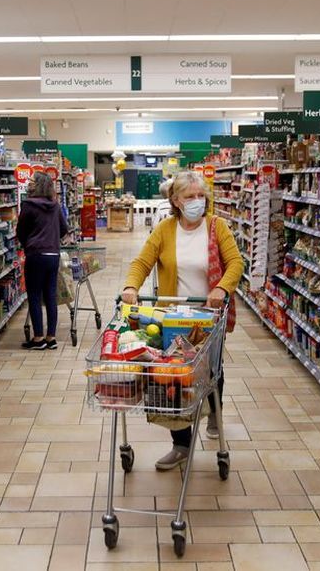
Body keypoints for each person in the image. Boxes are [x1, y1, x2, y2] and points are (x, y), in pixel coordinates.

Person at [121, 170, 244, 470]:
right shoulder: (165, 229)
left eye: (201, 195)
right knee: (173, 376)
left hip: (208, 318)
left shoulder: (217, 227)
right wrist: (131, 286)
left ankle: (214, 411)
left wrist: (221, 288)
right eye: (190, 196)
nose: (197, 201)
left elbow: (235, 263)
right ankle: (181, 444)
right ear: (176, 200)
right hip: (173, 318)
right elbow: (142, 262)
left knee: (211, 371)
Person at [16, 172, 68, 350]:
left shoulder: (28, 205)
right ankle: (51, 338)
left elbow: (21, 231)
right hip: (53, 255)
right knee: (50, 296)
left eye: (31, 181)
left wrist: (29, 243)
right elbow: (64, 229)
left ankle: (38, 338)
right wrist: (51, 240)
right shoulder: (55, 205)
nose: (29, 183)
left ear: (38, 185)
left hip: (36, 255)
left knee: (35, 296)